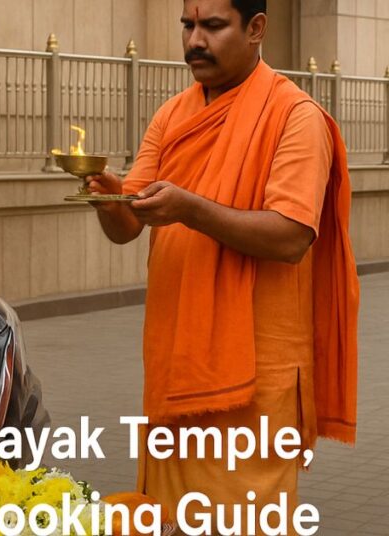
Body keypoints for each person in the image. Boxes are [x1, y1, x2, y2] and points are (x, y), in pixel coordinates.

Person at [85, 0, 359, 531]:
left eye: (212, 26)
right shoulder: (173, 114)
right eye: (187, 25)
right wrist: (107, 199)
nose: (194, 41)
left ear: (256, 28)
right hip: (178, 361)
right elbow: (129, 225)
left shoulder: (295, 118)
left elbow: (291, 236)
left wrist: (190, 208)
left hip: (257, 374)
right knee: (166, 517)